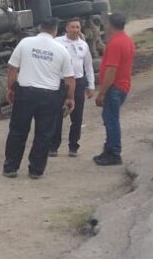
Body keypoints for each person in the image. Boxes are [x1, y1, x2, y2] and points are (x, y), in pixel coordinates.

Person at [3, 18, 75, 179]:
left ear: (40, 28)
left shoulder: (25, 43)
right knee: (44, 133)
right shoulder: (61, 49)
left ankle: (10, 167)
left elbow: (12, 69)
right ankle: (36, 170)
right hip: (50, 96)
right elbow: (69, 78)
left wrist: (11, 88)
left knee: (17, 131)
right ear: (56, 31)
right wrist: (70, 98)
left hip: (25, 93)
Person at [93, 12, 136, 166]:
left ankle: (114, 153)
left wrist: (102, 93)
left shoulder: (115, 43)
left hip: (114, 87)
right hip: (121, 86)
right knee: (110, 119)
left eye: (106, 23)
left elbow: (111, 71)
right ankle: (109, 149)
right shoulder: (126, 40)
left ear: (110, 25)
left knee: (111, 121)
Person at [52, 17, 96, 157]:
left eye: (78, 27)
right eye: (73, 27)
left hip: (78, 82)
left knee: (77, 117)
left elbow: (88, 66)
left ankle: (73, 147)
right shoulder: (57, 42)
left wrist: (91, 85)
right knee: (56, 116)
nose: (76, 30)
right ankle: (53, 147)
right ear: (66, 28)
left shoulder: (83, 45)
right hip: (60, 83)